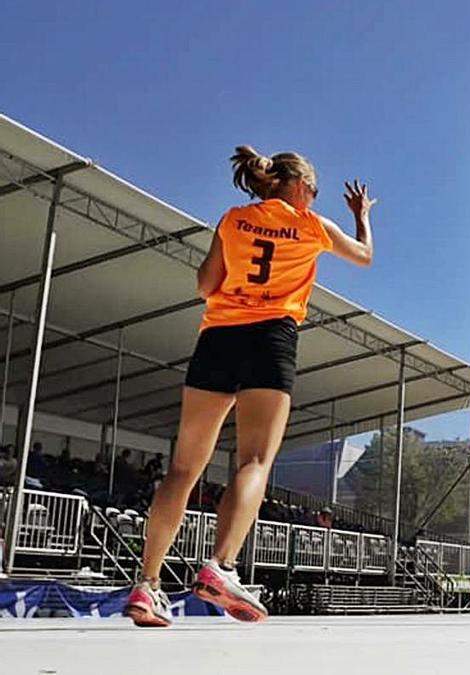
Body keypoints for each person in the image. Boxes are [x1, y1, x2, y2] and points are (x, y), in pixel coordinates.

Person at [124, 146, 376, 628]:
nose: (314, 196)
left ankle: (147, 585)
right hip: (270, 337)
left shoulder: (234, 219)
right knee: (255, 460)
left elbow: (205, 285)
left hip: (218, 335)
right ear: (300, 187)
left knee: (182, 469)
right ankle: (220, 567)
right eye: (314, 190)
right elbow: (364, 257)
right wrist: (361, 217)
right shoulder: (312, 226)